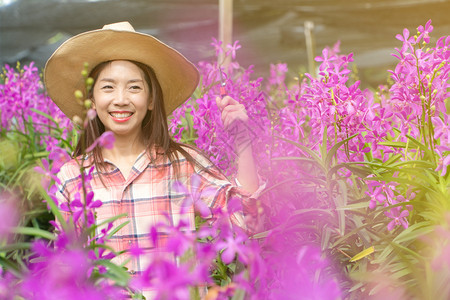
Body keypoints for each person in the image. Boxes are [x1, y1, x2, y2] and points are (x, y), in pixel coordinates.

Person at [44, 22, 262, 297]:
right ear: (92, 99)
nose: (121, 99)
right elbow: (66, 268)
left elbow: (249, 223)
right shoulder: (72, 176)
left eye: (134, 87)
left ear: (150, 99)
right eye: (108, 87)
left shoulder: (183, 163)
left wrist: (243, 143)